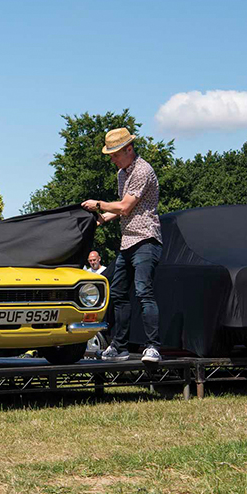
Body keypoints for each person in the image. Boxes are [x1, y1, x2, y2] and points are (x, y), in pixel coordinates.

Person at [81, 128, 161, 363]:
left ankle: (153, 347)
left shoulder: (142, 170)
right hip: (127, 241)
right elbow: (123, 211)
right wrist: (101, 219)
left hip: (146, 239)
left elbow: (124, 206)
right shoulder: (121, 174)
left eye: (115, 154)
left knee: (143, 291)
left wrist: (99, 205)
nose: (112, 159)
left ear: (129, 149)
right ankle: (119, 346)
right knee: (117, 292)